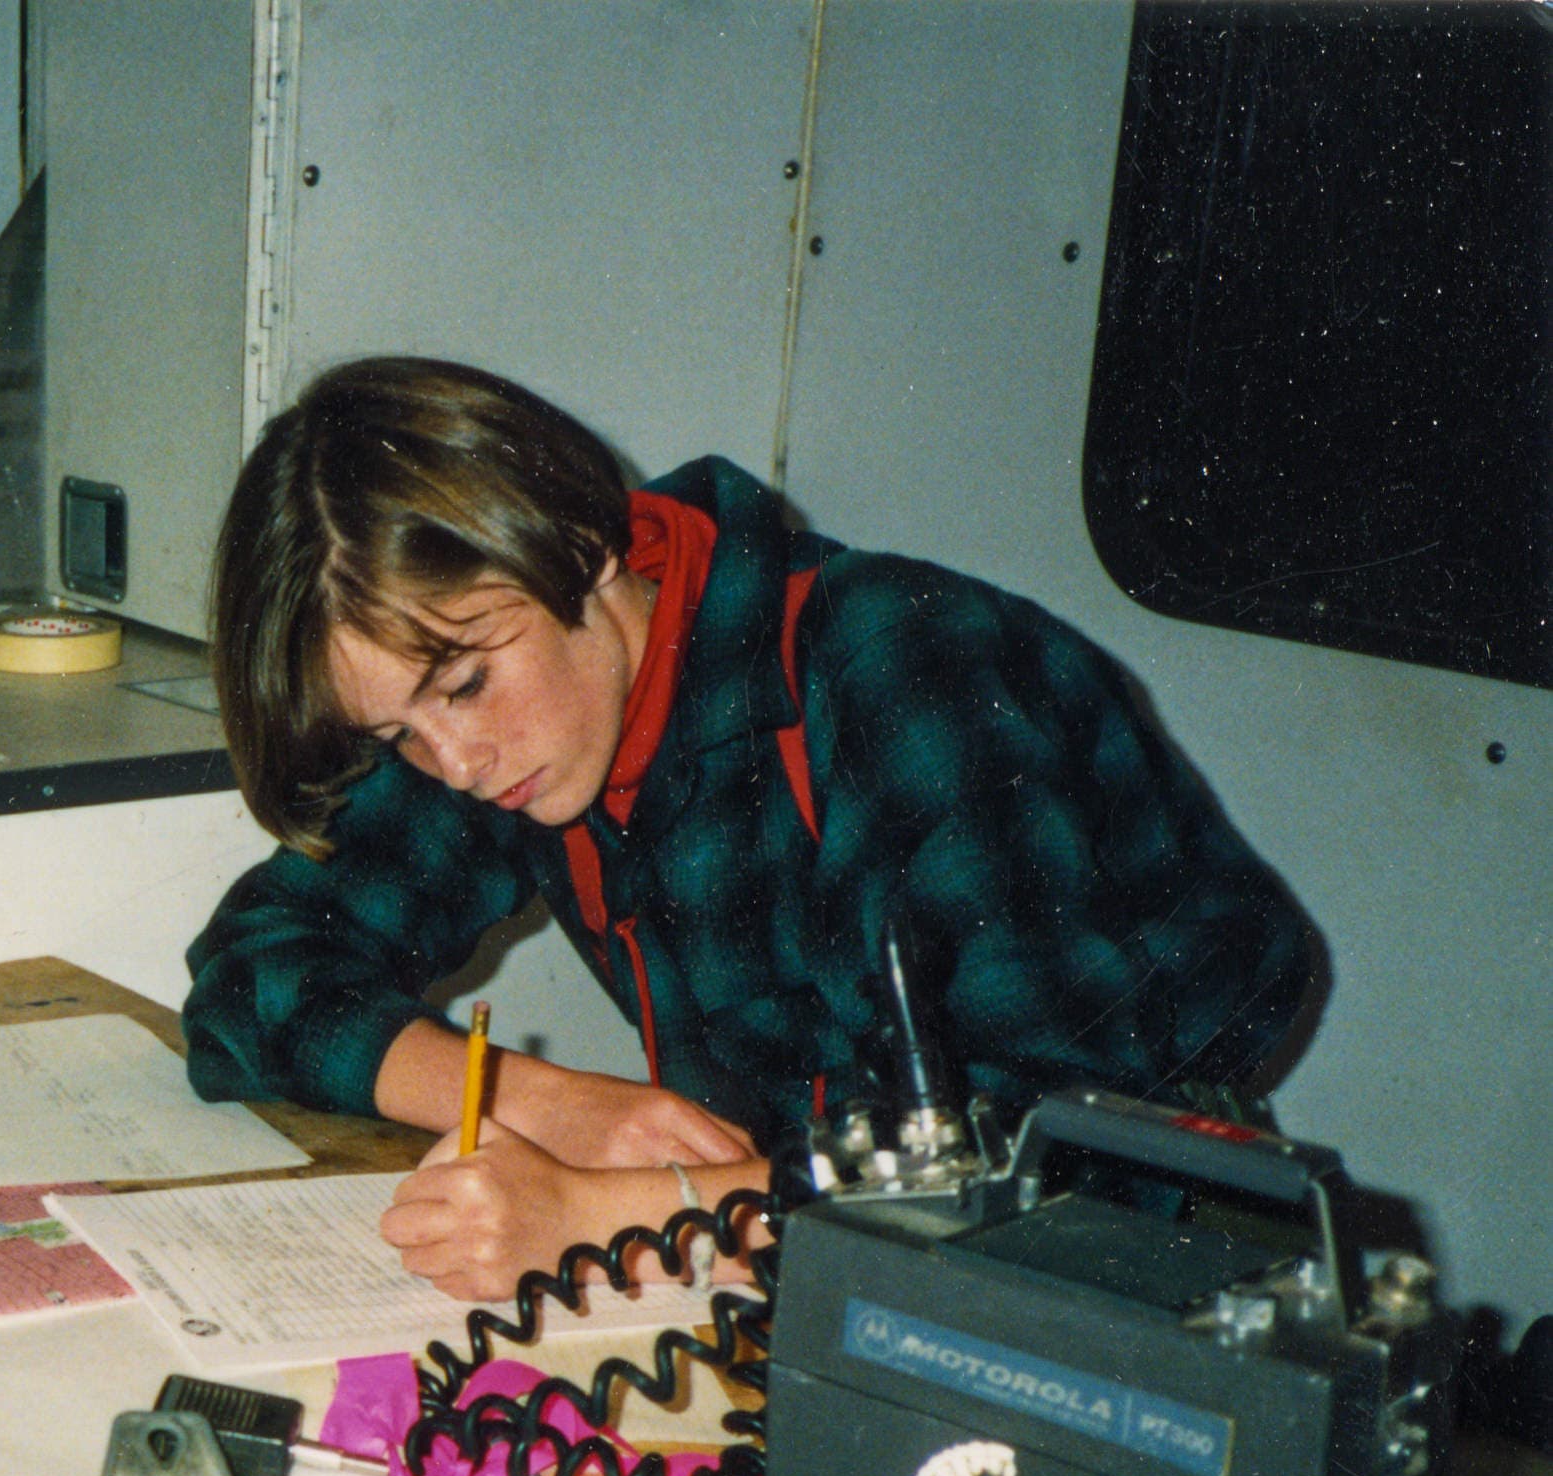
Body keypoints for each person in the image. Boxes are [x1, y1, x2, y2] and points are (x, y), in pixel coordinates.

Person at [183, 357, 1312, 1300]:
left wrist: (613, 1218)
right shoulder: (518, 706)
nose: (454, 765)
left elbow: (1040, 1179)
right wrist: (540, 1103)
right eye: (397, 737)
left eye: (465, 686)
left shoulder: (915, 675)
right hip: (796, 1264)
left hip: (1140, 1286)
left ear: (582, 548)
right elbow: (249, 975)